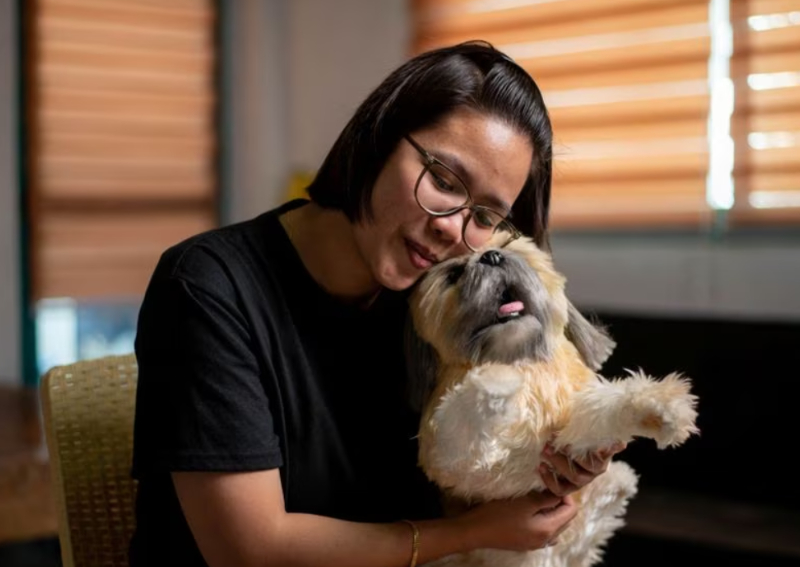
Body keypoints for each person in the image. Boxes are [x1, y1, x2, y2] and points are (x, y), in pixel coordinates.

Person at [129, 40, 625, 567]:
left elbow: (497, 437)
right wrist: (470, 533)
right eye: (442, 180)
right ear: (379, 138)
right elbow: (248, 550)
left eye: (484, 216)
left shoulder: (439, 306)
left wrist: (555, 461)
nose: (451, 228)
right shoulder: (208, 288)